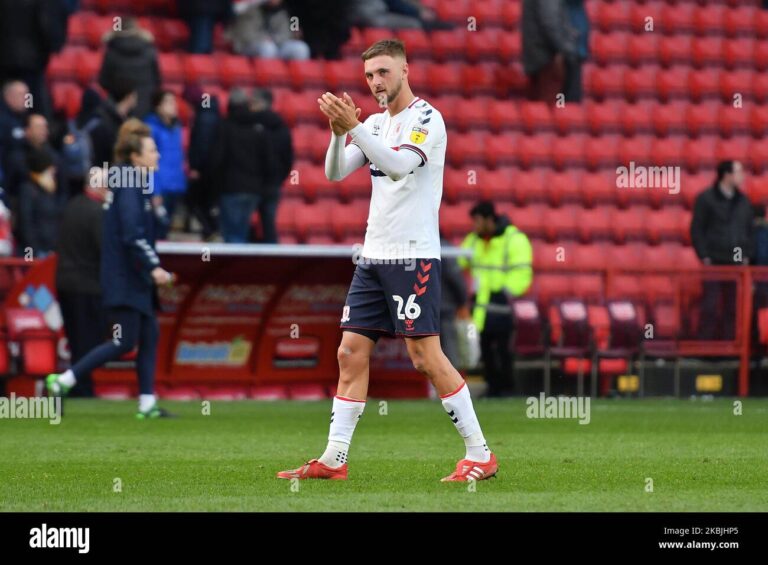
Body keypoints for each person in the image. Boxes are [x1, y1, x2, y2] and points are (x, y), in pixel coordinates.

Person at [277, 39, 497, 482]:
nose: (376, 82)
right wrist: (342, 131)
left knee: (424, 357)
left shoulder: (427, 119)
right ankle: (334, 458)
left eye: (383, 72)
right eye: (369, 76)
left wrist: (353, 127)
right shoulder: (374, 124)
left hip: (413, 256)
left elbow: (397, 167)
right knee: (350, 351)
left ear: (404, 70)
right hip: (373, 256)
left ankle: (480, 452)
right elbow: (336, 172)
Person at [46, 119, 175, 419]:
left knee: (150, 333)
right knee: (123, 341)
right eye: (152, 150)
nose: (157, 155)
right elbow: (132, 235)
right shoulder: (129, 183)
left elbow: (145, 229)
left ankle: (146, 404)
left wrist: (159, 209)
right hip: (125, 277)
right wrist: (155, 267)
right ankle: (64, 380)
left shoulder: (135, 185)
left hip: (132, 276)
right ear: (136, 155)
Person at [458, 202, 533, 397]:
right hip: (481, 304)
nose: (474, 226)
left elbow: (523, 272)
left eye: (477, 221)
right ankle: (493, 388)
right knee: (485, 347)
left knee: (502, 348)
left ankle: (507, 388)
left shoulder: (514, 238)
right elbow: (460, 261)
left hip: (501, 303)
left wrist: (505, 292)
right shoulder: (474, 240)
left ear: (489, 219)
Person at [55, 168, 109, 397]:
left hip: (65, 283)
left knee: (76, 339)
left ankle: (78, 385)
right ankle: (82, 387)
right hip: (88, 286)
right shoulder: (98, 213)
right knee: (89, 341)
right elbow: (105, 250)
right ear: (98, 186)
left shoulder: (71, 206)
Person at [690, 160, 754, 340]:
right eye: (739, 172)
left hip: (736, 263)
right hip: (714, 262)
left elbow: (748, 230)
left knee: (732, 307)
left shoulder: (743, 201)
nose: (742, 176)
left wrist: (745, 256)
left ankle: (730, 346)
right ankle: (705, 347)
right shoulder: (706, 199)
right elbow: (697, 229)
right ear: (727, 175)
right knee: (710, 306)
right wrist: (705, 256)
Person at [211, 88, 271, 243]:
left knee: (231, 234)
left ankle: (231, 266)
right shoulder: (258, 128)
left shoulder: (225, 126)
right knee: (241, 231)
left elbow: (217, 158)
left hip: (231, 188)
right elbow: (267, 160)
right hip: (253, 189)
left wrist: (214, 184)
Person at [251, 88, 293, 243]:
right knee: (269, 224)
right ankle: (272, 260)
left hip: (252, 183)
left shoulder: (250, 125)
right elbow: (288, 158)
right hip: (273, 184)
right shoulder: (281, 126)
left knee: (242, 223)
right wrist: (278, 178)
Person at [145, 90, 187, 239]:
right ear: (158, 106)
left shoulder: (177, 127)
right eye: (168, 102)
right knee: (156, 232)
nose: (173, 105)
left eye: (174, 102)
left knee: (167, 230)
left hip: (175, 186)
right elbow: (148, 163)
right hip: (160, 188)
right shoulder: (151, 128)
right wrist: (154, 191)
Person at [98, 17, 160, 118]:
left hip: (118, 109)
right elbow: (157, 81)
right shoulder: (150, 51)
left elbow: (103, 82)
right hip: (145, 108)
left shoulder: (111, 52)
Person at [521, 0, 578, 103]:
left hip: (540, 56)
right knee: (553, 105)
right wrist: (563, 47)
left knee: (542, 104)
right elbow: (550, 22)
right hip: (549, 58)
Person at [228, 0, 310, 60]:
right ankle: (267, 80)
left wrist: (273, 39)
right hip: (248, 46)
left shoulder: (284, 13)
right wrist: (264, 39)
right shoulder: (250, 8)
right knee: (268, 48)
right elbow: (246, 35)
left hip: (275, 45)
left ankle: (291, 81)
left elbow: (286, 34)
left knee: (301, 48)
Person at [18, 148, 61, 258]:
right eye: (50, 167)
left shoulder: (49, 190)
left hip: (50, 249)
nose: (54, 170)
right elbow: (26, 223)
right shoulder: (28, 190)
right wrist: (34, 251)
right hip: (37, 251)